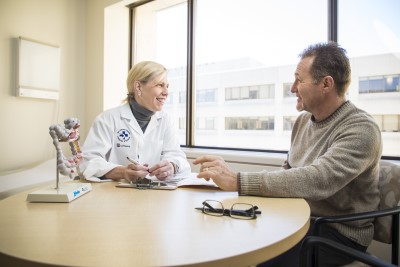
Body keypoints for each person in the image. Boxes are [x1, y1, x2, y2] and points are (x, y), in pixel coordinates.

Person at [193, 42, 382, 267]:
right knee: (228, 240)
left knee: (259, 261)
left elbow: (318, 180)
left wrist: (237, 180)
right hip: (298, 219)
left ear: (326, 84)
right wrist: (236, 184)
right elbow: (289, 170)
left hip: (336, 233)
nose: (292, 88)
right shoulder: (303, 121)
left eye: (299, 80)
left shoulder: (362, 129)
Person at [80, 61, 190, 182]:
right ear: (138, 87)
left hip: (154, 195)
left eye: (167, 86)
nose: (166, 92)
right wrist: (122, 172)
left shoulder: (165, 120)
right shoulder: (108, 119)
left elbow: (177, 156)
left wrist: (172, 166)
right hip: (115, 194)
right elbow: (88, 161)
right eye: (160, 85)